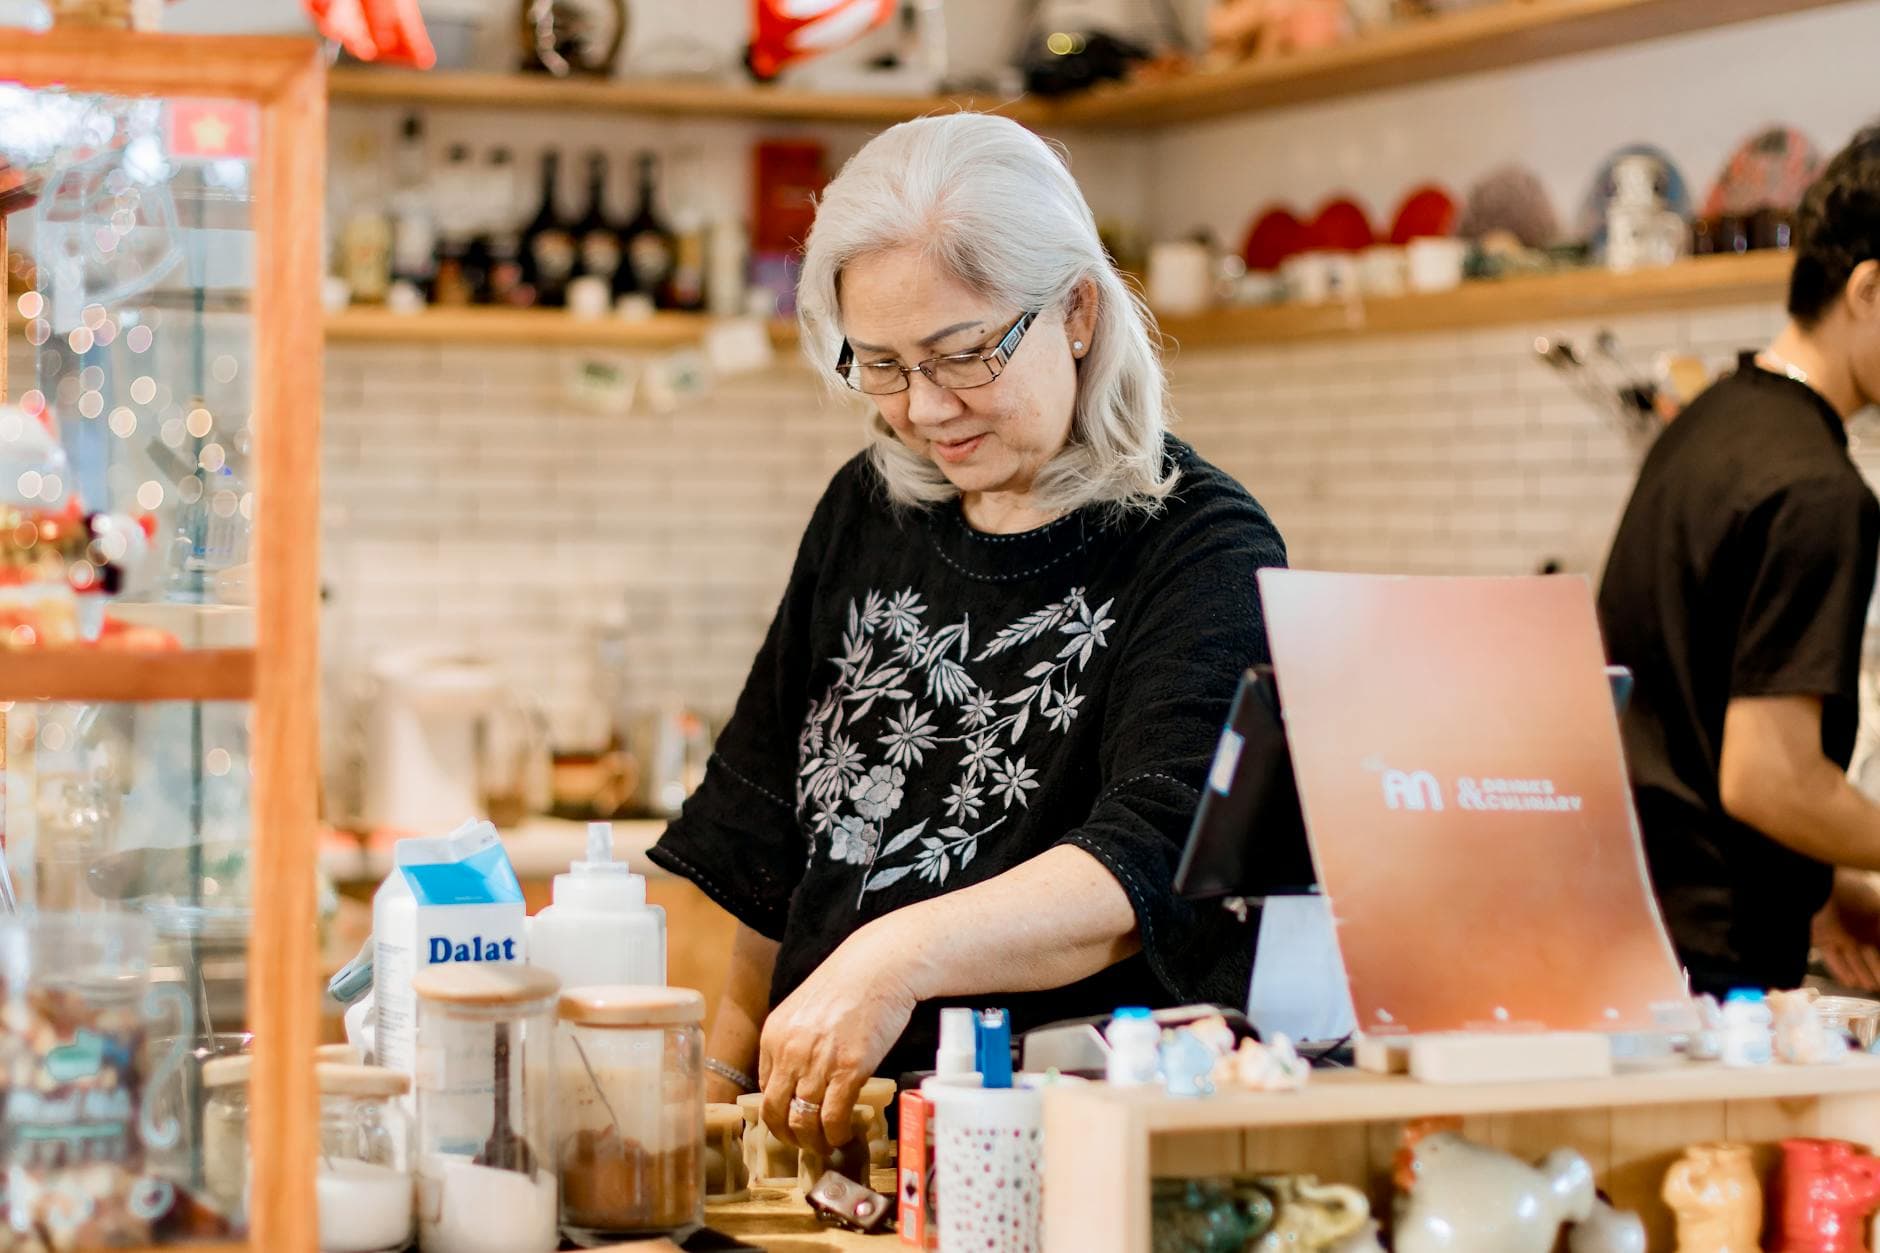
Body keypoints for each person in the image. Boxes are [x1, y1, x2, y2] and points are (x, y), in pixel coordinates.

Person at [647, 113, 1287, 1157]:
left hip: (1052, 1145)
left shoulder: (1201, 549)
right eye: (883, 366)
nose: (925, 409)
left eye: (960, 354)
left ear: (1075, 310)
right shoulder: (870, 506)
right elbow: (762, 840)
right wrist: (719, 1096)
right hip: (834, 1148)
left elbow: (1152, 867)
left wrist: (886, 957)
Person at [1598, 124, 1880, 998]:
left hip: (1627, 925)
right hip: (1718, 973)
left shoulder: (1706, 424)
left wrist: (1817, 888)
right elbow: (1768, 777)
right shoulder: (1819, 492)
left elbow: (1679, 720)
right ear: (1869, 289)